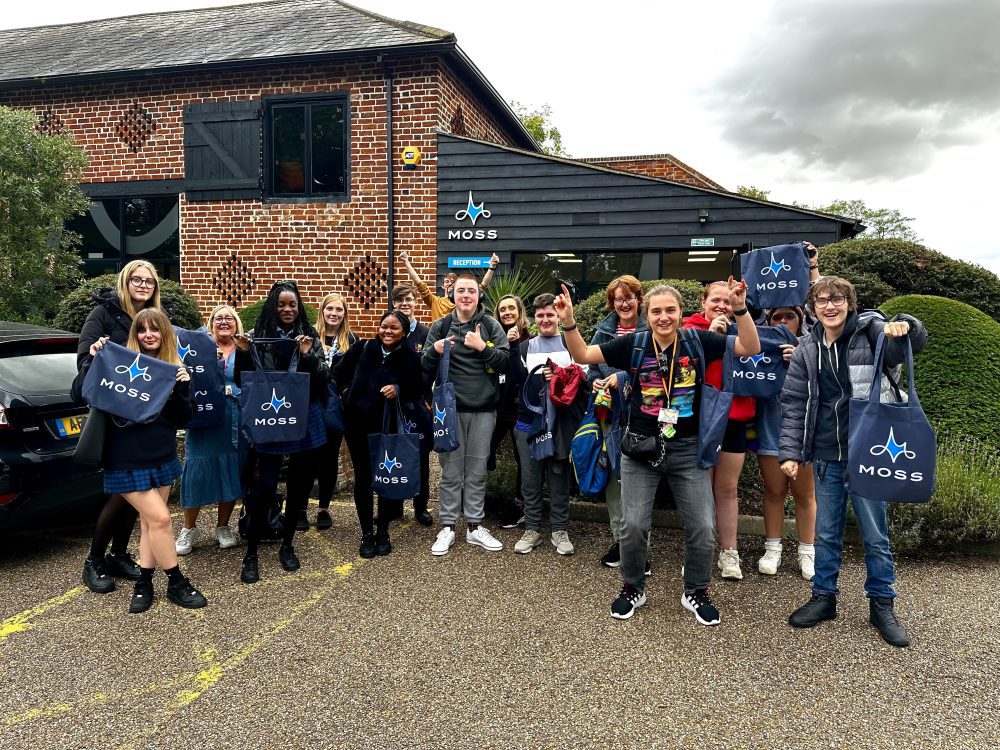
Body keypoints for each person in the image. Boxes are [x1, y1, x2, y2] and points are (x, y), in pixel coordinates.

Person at [555, 279, 761, 626]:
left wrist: (740, 308)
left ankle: (696, 590)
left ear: (681, 313)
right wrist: (569, 321)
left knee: (702, 525)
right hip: (640, 449)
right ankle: (632, 586)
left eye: (670, 310)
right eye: (656, 311)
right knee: (632, 525)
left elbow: (749, 347)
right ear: (647, 315)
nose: (663, 317)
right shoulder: (633, 344)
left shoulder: (699, 341)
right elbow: (583, 355)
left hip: (686, 449)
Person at [780, 277, 927, 647]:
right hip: (828, 453)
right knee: (826, 535)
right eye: (822, 300)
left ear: (850, 302)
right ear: (812, 308)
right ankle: (823, 598)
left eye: (838, 299)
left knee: (875, 537)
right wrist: (791, 452)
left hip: (871, 453)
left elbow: (909, 343)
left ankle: (882, 604)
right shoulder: (805, 349)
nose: (830, 306)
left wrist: (906, 325)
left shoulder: (872, 332)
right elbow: (795, 403)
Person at [82, 309, 206, 613]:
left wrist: (184, 386)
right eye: (142, 330)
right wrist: (92, 360)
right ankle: (176, 582)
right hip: (124, 458)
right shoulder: (118, 363)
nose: (148, 335)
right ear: (134, 334)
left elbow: (185, 417)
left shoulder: (173, 368)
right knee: (162, 519)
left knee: (152, 524)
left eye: (155, 330)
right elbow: (82, 392)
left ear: (165, 334)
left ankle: (143, 584)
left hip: (161, 456)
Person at [76, 260, 163, 594]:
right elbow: (84, 361)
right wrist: (96, 355)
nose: (143, 285)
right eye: (137, 280)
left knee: (134, 494)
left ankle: (118, 554)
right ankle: (95, 559)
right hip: (115, 418)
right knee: (122, 491)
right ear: (125, 282)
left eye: (150, 281)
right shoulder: (102, 314)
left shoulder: (158, 317)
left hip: (146, 418)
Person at [234, 281, 329, 584]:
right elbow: (244, 379)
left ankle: (287, 545)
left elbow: (325, 377)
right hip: (271, 414)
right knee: (266, 487)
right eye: (281, 304)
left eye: (292, 304)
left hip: (304, 413)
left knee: (298, 487)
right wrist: (244, 353)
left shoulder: (309, 336)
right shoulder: (257, 336)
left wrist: (307, 355)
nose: (287, 310)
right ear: (272, 306)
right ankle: (251, 552)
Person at [421, 273, 510, 556]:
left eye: (471, 291)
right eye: (461, 291)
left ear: (479, 294)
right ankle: (447, 526)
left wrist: (482, 347)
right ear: (453, 294)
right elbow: (423, 367)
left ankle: (474, 526)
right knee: (450, 471)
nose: (466, 296)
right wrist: (434, 351)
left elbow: (506, 363)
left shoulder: (491, 325)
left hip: (484, 409)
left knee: (476, 470)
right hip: (450, 410)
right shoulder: (440, 326)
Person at [683, 281, 757, 580]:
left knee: (727, 489)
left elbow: (756, 351)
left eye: (728, 301)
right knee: (700, 491)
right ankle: (699, 552)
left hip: (734, 417)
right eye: (716, 300)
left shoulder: (745, 326)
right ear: (703, 302)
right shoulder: (688, 328)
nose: (722, 306)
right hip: (700, 417)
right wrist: (710, 336)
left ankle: (729, 553)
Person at [335, 311, 423, 556]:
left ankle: (383, 530)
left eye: (394, 328)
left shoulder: (410, 357)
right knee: (363, 478)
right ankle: (366, 534)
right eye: (385, 326)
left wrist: (398, 389)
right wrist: (346, 393)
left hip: (387, 427)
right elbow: (338, 372)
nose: (388, 332)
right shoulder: (364, 348)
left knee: (384, 478)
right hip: (357, 425)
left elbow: (417, 390)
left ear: (404, 332)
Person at [510, 293, 587, 555]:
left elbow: (583, 378)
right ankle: (532, 529)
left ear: (558, 316)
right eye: (540, 315)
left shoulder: (570, 343)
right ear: (534, 318)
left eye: (550, 314)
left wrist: (559, 375)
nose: (545, 320)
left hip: (560, 424)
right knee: (530, 479)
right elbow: (515, 383)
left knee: (558, 476)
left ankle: (559, 530)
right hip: (527, 423)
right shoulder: (525, 347)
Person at [585, 275, 648, 568]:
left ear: (639, 299)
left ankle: (640, 547)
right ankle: (621, 541)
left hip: (644, 415)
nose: (624, 303)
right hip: (611, 414)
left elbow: (659, 370)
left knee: (641, 479)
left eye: (629, 297)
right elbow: (591, 367)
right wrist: (596, 382)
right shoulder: (603, 331)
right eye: (618, 299)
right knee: (614, 478)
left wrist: (622, 377)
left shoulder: (652, 329)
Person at [752, 304, 816, 578]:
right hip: (769, 428)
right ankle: (773, 547)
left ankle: (807, 552)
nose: (783, 321)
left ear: (800, 320)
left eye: (790, 316)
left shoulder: (814, 346)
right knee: (774, 491)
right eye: (777, 317)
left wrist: (800, 360)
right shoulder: (761, 344)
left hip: (804, 433)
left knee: (805, 495)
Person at [176, 305, 245, 555]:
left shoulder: (244, 348)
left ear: (237, 323)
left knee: (230, 469)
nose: (224, 322)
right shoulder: (199, 347)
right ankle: (188, 528)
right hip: (204, 416)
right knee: (196, 470)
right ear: (210, 323)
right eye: (218, 318)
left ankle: (223, 526)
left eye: (229, 318)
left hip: (234, 417)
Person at [309, 292, 357, 531]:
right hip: (310, 404)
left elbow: (356, 375)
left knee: (329, 458)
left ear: (344, 314)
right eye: (330, 309)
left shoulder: (351, 340)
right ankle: (298, 509)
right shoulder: (309, 336)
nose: (334, 314)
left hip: (335, 407)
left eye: (339, 310)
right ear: (322, 311)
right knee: (307, 458)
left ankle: (323, 508)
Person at [391, 283, 433, 526]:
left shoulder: (425, 333)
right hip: (393, 404)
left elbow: (428, 370)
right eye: (399, 300)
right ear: (394, 304)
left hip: (419, 403)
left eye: (409, 299)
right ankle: (394, 506)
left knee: (421, 456)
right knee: (393, 452)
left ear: (416, 302)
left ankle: (421, 506)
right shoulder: (389, 329)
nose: (404, 303)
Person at [490, 294, 531, 528]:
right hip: (496, 408)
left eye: (511, 309)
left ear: (519, 312)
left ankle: (519, 505)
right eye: (502, 309)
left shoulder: (530, 340)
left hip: (519, 410)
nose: (507, 312)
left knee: (522, 460)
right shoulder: (493, 339)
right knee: (484, 453)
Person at [399, 249, 499, 320]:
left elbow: (483, 285)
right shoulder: (435, 302)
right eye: (447, 281)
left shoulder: (463, 300)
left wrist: (492, 267)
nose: (450, 283)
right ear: (442, 286)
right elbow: (419, 283)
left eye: (453, 281)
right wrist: (406, 262)